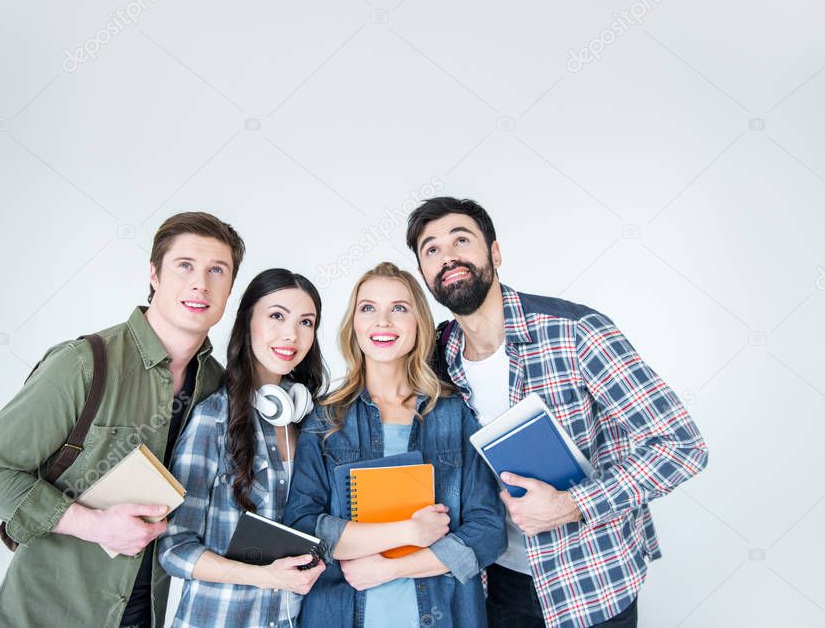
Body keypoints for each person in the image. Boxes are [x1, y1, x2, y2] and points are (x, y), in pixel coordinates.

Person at [405, 196, 709, 628]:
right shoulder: (438, 355)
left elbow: (682, 447)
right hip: (496, 585)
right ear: (424, 275)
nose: (448, 256)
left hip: (591, 580)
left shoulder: (576, 332)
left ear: (495, 253)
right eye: (431, 249)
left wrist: (572, 504)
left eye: (461, 239)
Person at [0, 211, 245, 628]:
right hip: (45, 616)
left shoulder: (218, 388)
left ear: (229, 287)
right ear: (154, 274)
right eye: (184, 265)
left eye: (216, 270)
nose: (200, 283)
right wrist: (93, 525)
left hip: (145, 615)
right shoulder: (82, 364)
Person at [285, 261, 506, 628]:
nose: (382, 322)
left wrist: (391, 568)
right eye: (368, 308)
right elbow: (302, 529)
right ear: (353, 325)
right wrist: (408, 533)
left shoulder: (454, 414)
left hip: (445, 615)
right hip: (340, 614)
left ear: (418, 323)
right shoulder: (325, 420)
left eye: (399, 309)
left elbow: (488, 531)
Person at [158, 268, 329, 627]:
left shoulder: (313, 423)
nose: (291, 334)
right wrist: (268, 576)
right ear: (247, 322)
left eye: (306, 322)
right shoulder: (214, 418)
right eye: (277, 316)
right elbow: (175, 550)